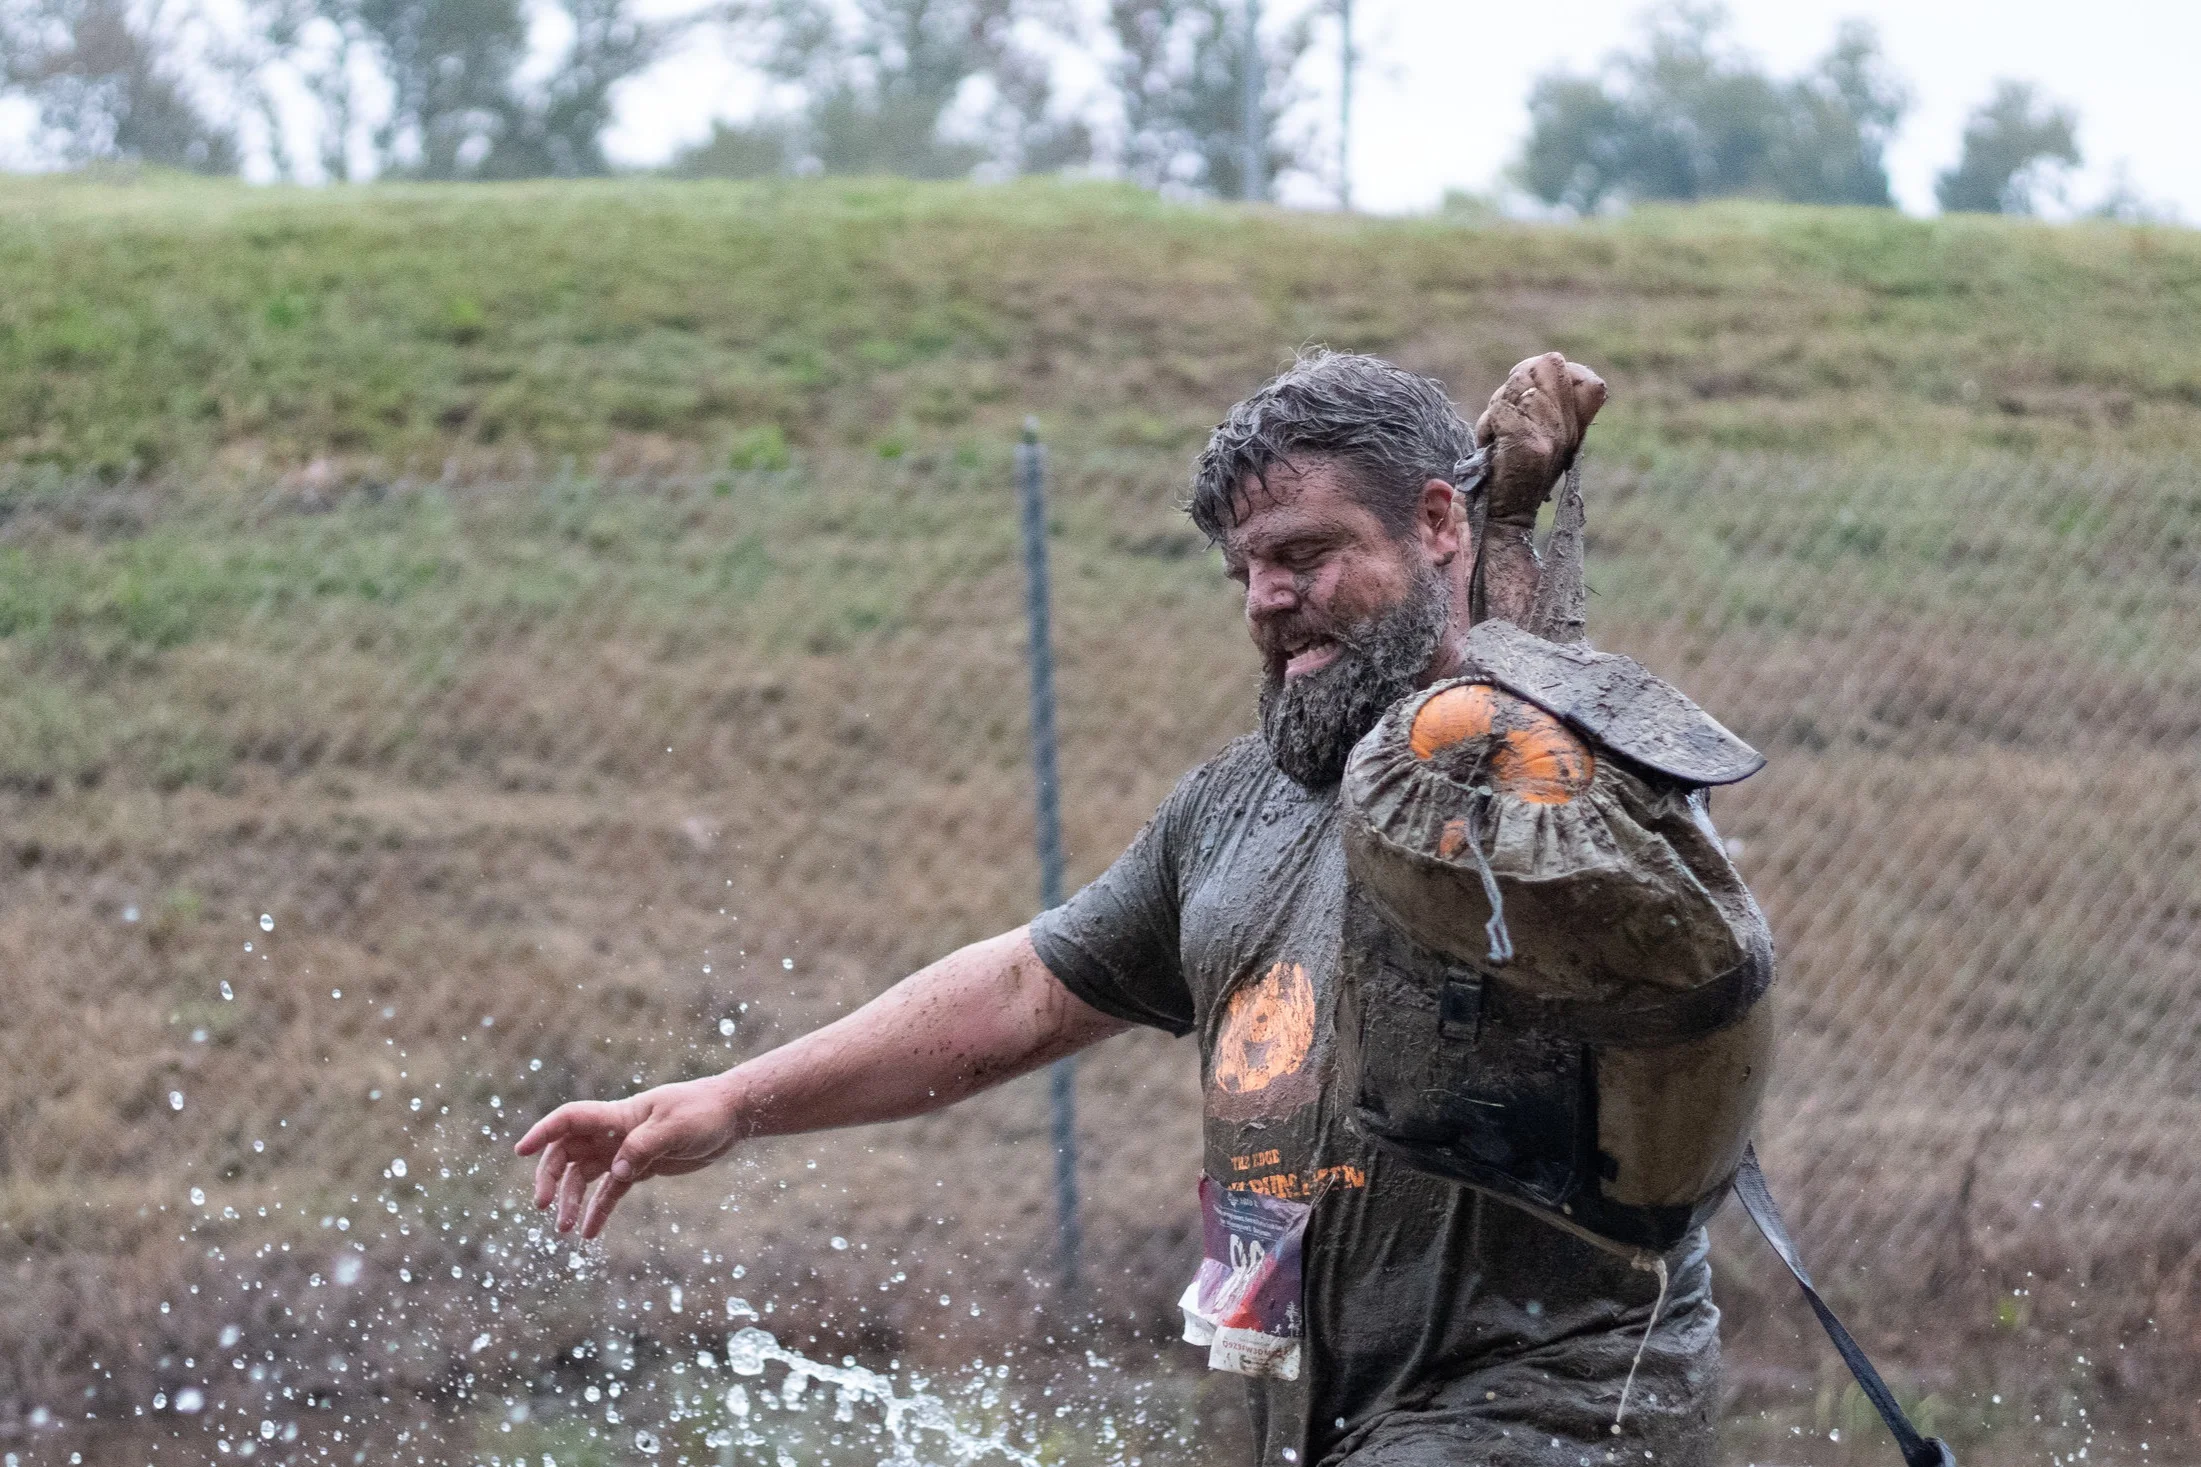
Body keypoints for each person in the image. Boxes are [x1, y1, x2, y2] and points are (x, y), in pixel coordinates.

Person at [518, 350, 1750, 1467]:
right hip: (1307, 1414)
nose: (1266, 599)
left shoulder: (1572, 778)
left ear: (1437, 523)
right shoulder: (1233, 809)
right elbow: (1025, 992)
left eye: (1306, 554)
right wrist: (733, 1102)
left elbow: (1579, 839)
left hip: (1550, 1410)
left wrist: (1514, 542)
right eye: (1247, 570)